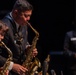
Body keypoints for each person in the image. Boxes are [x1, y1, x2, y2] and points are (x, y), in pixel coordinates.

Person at [0, 0, 38, 75]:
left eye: (30, 16)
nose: (28, 19)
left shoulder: (23, 22)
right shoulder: (4, 26)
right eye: (26, 15)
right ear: (15, 13)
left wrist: (28, 48)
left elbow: (23, 40)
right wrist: (11, 66)